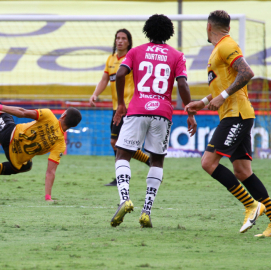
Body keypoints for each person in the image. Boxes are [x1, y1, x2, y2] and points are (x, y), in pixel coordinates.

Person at [185, 10, 271, 237]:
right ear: (228, 27)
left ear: (208, 27)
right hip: (234, 114)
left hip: (237, 115)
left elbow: (247, 72)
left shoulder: (225, 46)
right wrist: (201, 102)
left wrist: (222, 96)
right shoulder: (219, 50)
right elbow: (224, 85)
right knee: (243, 171)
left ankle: (251, 205)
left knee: (208, 162)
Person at [110, 14, 197, 228]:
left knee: (122, 154)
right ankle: (146, 211)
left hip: (137, 108)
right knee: (157, 160)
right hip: (163, 112)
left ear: (147, 30)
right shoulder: (177, 55)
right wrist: (190, 112)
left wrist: (121, 103)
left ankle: (124, 199)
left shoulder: (135, 51)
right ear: (169, 33)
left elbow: (120, 75)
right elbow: (183, 85)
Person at [89, 29, 150, 187]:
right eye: (118, 38)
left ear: (129, 42)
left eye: (123, 38)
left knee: (117, 142)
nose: (120, 41)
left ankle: (121, 177)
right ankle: (148, 161)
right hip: (117, 108)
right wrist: (95, 94)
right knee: (116, 143)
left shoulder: (133, 58)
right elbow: (104, 79)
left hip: (130, 108)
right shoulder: (111, 59)